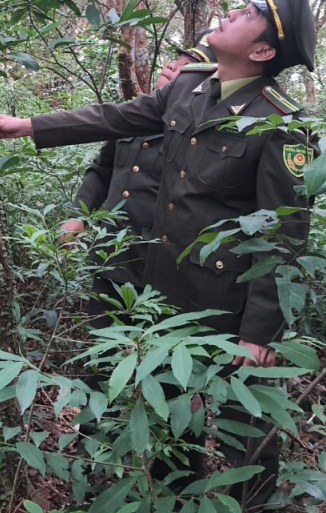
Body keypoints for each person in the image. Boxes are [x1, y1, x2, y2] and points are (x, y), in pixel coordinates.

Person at [0, 0, 318, 511]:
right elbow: (117, 118)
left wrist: (259, 332)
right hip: (161, 290)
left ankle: (255, 504)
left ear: (261, 53)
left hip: (226, 301)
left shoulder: (282, 125)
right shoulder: (189, 86)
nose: (234, 10)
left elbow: (284, 235)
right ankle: (175, 496)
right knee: (173, 404)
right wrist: (29, 125)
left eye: (252, 12)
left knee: (246, 417)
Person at [61, 35, 216, 325]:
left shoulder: (200, 133)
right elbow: (102, 170)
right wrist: (78, 216)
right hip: (112, 257)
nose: (171, 67)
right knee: (102, 350)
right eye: (174, 62)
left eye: (185, 67)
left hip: (161, 269)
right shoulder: (132, 117)